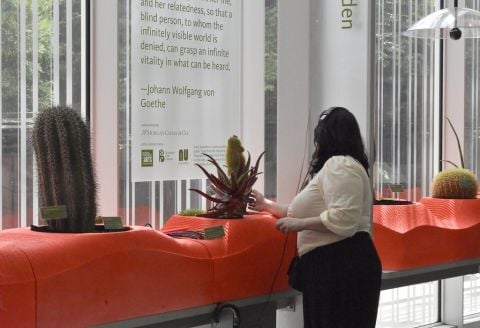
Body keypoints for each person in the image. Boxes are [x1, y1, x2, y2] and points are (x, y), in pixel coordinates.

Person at [249, 107, 382, 328]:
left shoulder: (340, 165)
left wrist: (298, 225)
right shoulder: (342, 167)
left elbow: (343, 220)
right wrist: (265, 205)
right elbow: (298, 211)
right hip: (340, 268)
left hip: (339, 268)